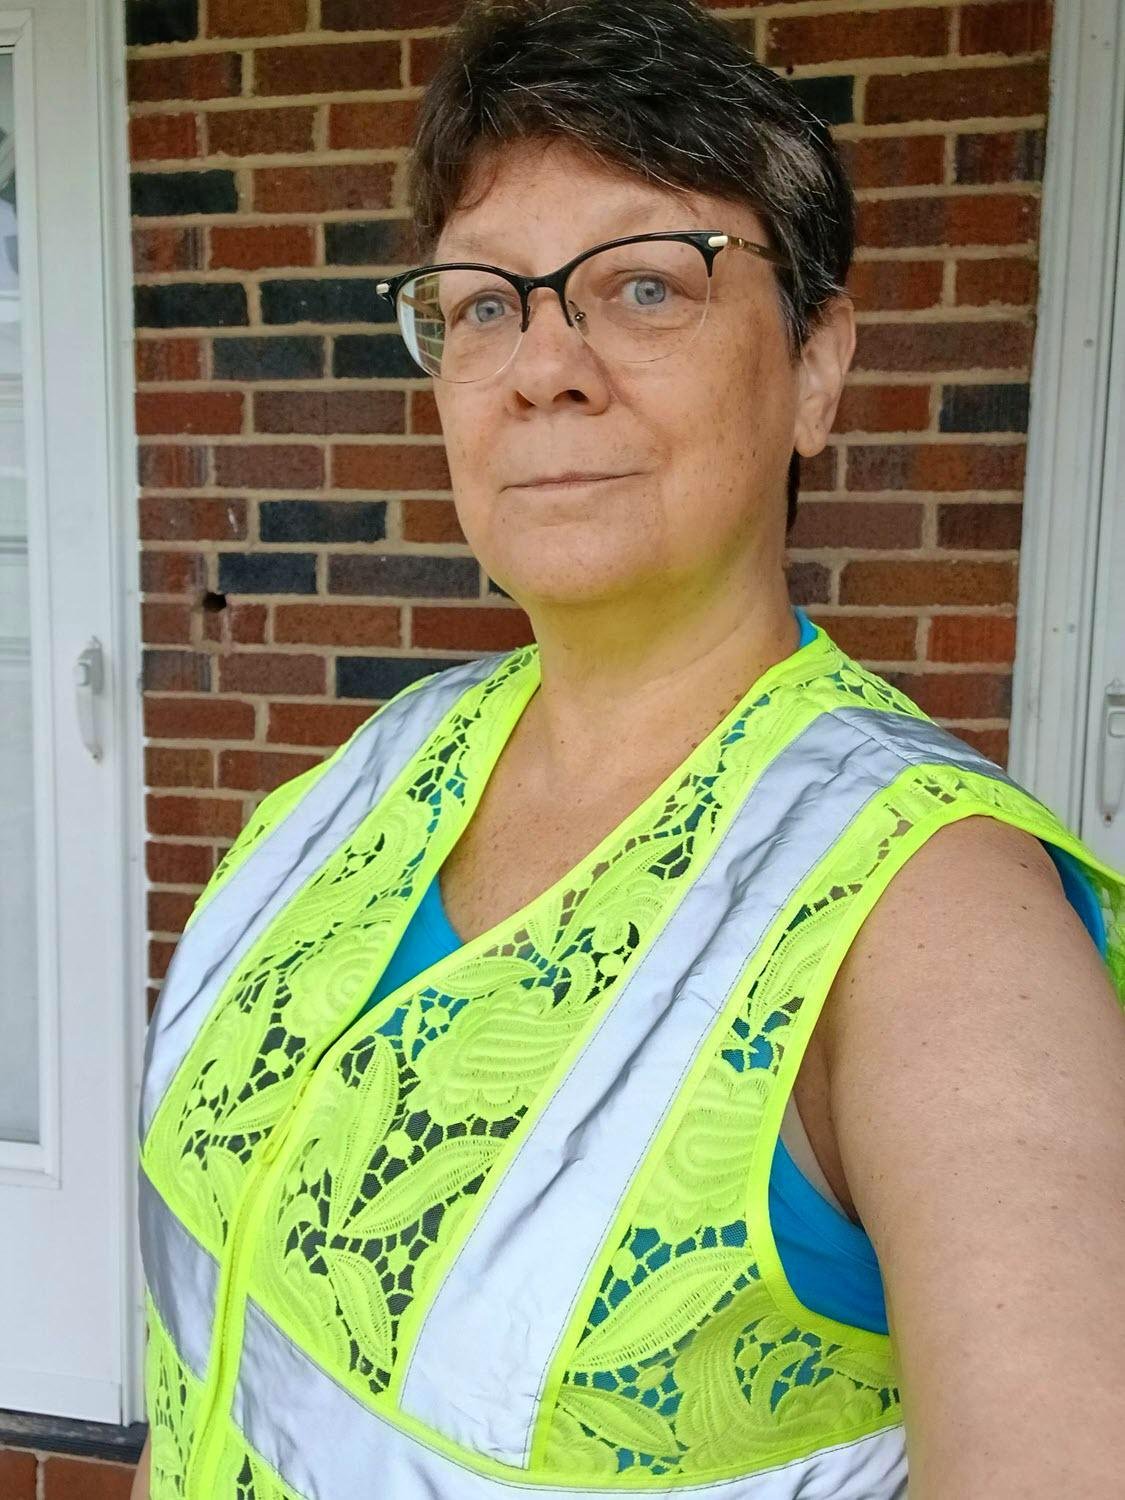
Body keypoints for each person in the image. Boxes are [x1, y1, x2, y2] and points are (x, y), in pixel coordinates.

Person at [132, 2, 1125, 1497]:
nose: (543, 365)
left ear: (815, 367)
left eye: (646, 284)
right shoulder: (365, 777)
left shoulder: (937, 918)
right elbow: (215, 1344)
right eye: (483, 305)